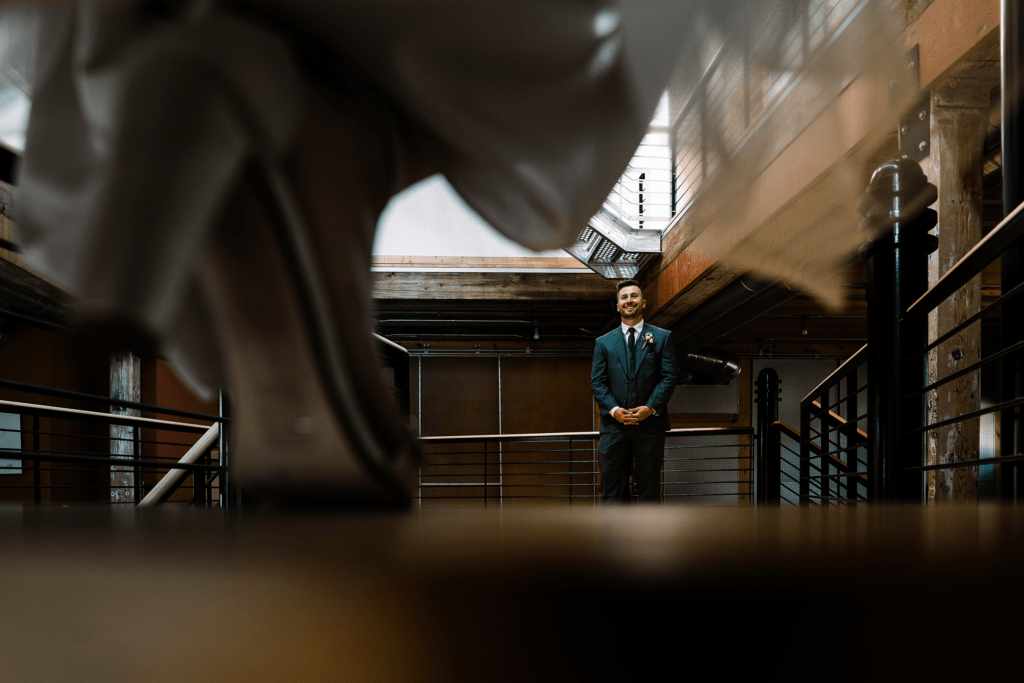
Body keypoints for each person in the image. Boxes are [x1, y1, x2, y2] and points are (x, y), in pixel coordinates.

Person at [591, 279, 678, 504]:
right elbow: (597, 382)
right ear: (618, 305)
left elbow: (669, 377)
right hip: (613, 428)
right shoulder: (603, 343)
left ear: (643, 302)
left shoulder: (662, 337)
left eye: (634, 296)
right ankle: (611, 537)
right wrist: (614, 410)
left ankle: (647, 538)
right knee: (611, 491)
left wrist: (651, 408)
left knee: (649, 490)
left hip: (650, 427)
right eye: (624, 297)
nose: (629, 300)